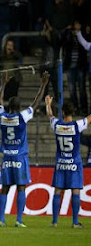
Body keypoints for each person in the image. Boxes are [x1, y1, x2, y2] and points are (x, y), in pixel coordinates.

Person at [0, 71, 49, 227]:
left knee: (5, 188)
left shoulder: (2, 117)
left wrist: (3, 84)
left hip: (6, 157)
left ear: (9, 106)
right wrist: (43, 85)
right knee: (21, 187)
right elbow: (36, 103)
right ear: (19, 107)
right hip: (20, 157)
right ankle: (19, 220)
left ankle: (1, 219)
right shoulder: (22, 116)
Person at [45, 96, 90, 228]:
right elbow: (89, 119)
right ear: (72, 113)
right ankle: (75, 222)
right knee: (75, 191)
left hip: (61, 163)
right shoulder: (78, 125)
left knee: (58, 191)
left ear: (63, 112)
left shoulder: (57, 125)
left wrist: (48, 104)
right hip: (74, 164)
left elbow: (49, 115)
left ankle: (54, 222)